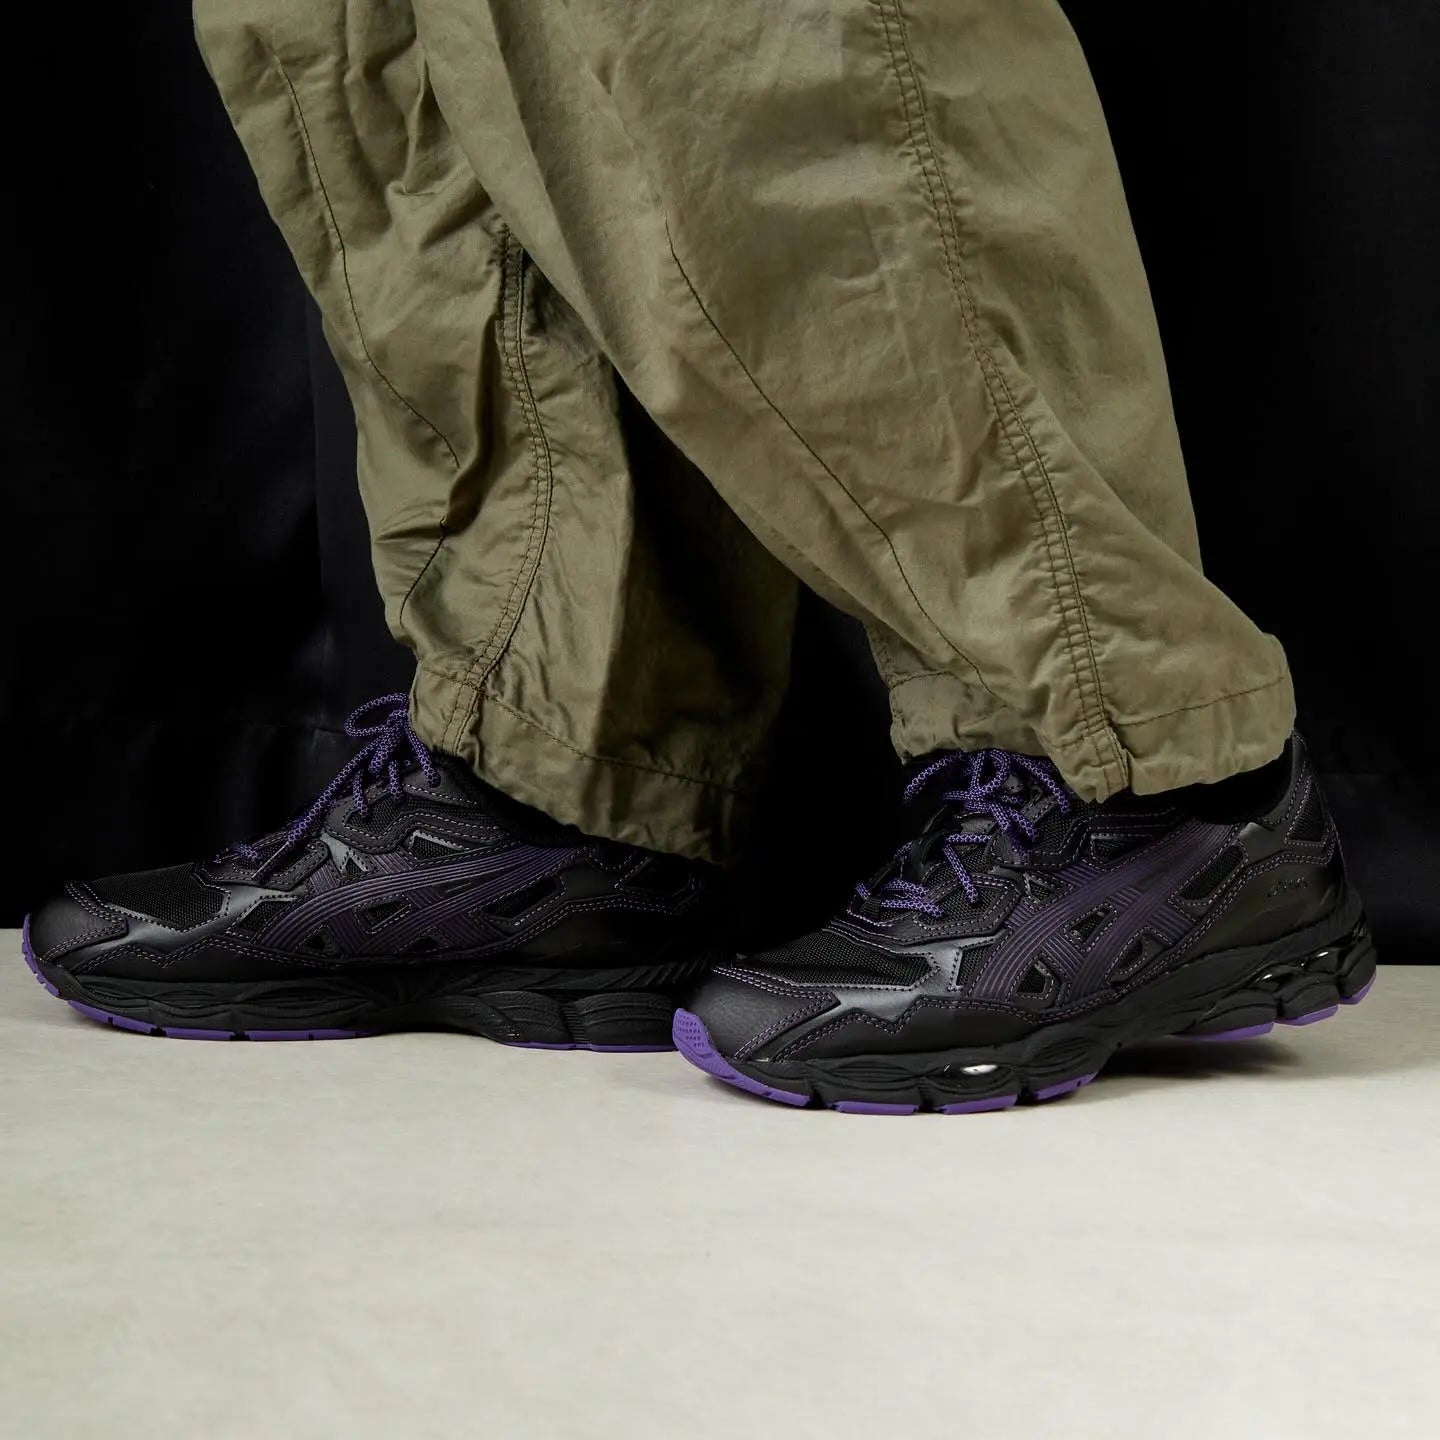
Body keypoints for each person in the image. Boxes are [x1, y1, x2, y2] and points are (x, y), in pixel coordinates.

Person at [21, 0, 1375, 1110]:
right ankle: (570, 781)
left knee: (746, 46)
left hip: (1122, 759)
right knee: (385, 57)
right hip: (560, 739)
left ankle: (1142, 790)